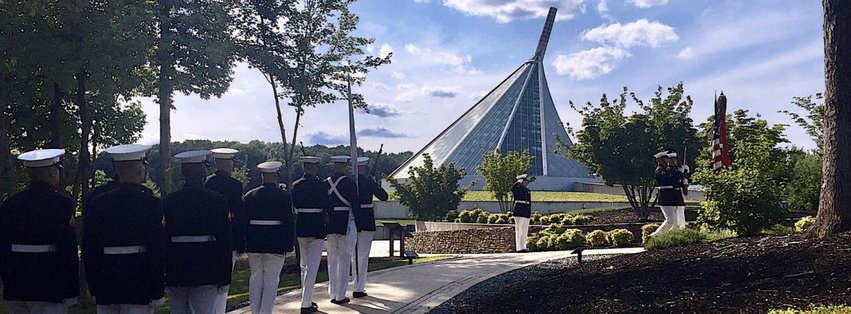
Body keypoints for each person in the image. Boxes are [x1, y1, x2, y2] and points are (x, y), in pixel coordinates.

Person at [83, 144, 165, 313]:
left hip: (107, 283)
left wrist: (95, 287)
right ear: (140, 169)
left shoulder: (97, 203)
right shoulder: (151, 204)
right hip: (139, 283)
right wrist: (157, 290)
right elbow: (156, 250)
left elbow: (90, 249)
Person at [0, 149, 79, 314]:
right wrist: (71, 289)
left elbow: (3, 247)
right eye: (57, 170)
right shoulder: (61, 204)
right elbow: (68, 248)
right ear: (51, 171)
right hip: (49, 285)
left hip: (16, 284)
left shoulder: (10, 204)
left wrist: (7, 280)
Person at [162, 150, 232, 314]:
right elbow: (225, 241)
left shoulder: (169, 201)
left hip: (176, 269)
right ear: (203, 172)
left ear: (183, 173)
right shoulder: (217, 200)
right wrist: (224, 277)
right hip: (206, 269)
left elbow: (163, 239)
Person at [242, 161, 295, 314]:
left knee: (256, 278)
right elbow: (288, 223)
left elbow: (244, 222)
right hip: (275, 243)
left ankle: (255, 311)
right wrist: (288, 246)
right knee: (271, 279)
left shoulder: (250, 195)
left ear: (262, 176)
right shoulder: (283, 196)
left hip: (254, 243)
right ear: (277, 176)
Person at [205, 148, 246, 314]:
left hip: (207, 239)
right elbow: (239, 217)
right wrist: (241, 243)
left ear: (215, 163)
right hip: (228, 239)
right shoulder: (235, 186)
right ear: (229, 163)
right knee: (223, 284)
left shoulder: (206, 182)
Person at [291, 156, 330, 314]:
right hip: (317, 227)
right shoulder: (321, 186)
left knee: (304, 266)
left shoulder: (295, 185)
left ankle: (306, 298)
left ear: (303, 167)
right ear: (315, 168)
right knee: (312, 267)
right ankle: (305, 303)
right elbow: (327, 206)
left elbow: (294, 206)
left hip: (301, 226)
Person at [351, 157, 388, 298]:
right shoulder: (368, 182)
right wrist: (375, 184)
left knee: (354, 256)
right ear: (364, 168)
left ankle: (356, 283)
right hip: (366, 220)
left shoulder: (351, 183)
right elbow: (383, 197)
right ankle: (359, 287)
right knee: (363, 255)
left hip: (353, 220)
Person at [325, 156, 359, 304]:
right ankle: (340, 295)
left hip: (330, 224)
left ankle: (332, 292)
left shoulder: (325, 183)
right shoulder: (349, 183)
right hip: (345, 224)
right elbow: (355, 205)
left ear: (334, 166)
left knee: (332, 261)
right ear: (344, 166)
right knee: (344, 260)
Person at [649, 151, 686, 237]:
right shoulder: (659, 171)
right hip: (665, 197)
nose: (667, 160)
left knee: (674, 222)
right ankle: (654, 236)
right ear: (659, 160)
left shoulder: (667, 170)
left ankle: (666, 236)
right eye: (664, 159)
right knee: (670, 220)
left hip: (671, 197)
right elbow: (670, 180)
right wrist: (679, 174)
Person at [512, 174, 532, 252]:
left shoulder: (527, 190)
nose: (526, 183)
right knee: (519, 229)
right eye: (524, 181)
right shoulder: (517, 189)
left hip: (526, 212)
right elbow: (513, 189)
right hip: (519, 211)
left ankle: (523, 246)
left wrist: (529, 214)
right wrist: (518, 182)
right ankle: (518, 247)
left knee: (524, 230)